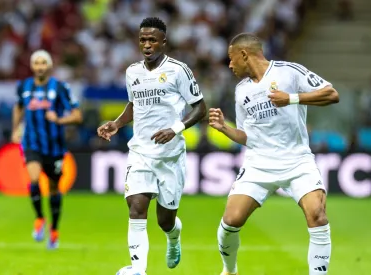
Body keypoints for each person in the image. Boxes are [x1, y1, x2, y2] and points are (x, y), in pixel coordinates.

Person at [208, 33, 339, 275]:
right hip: (258, 164)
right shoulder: (241, 91)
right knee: (231, 221)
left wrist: (292, 98)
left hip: (297, 161)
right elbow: (248, 136)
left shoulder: (289, 72)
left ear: (244, 54)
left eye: (231, 58)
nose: (229, 64)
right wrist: (225, 129)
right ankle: (229, 270)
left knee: (317, 215)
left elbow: (332, 94)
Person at [97, 17, 207, 273]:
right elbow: (134, 105)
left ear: (163, 42)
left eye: (152, 40)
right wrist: (117, 123)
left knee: (165, 221)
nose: (147, 45)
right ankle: (138, 270)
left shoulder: (178, 70)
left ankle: (173, 238)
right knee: (136, 208)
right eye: (143, 40)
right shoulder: (132, 72)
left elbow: (200, 108)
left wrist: (175, 129)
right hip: (140, 152)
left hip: (170, 156)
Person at [11, 50, 83, 249]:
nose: (40, 66)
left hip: (55, 147)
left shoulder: (60, 88)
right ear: (32, 66)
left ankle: (54, 229)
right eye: (37, 63)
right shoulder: (24, 86)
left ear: (49, 66)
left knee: (53, 190)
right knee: (33, 179)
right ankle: (40, 218)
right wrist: (16, 129)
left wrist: (59, 119)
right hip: (32, 143)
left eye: (44, 63)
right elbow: (18, 107)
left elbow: (77, 116)